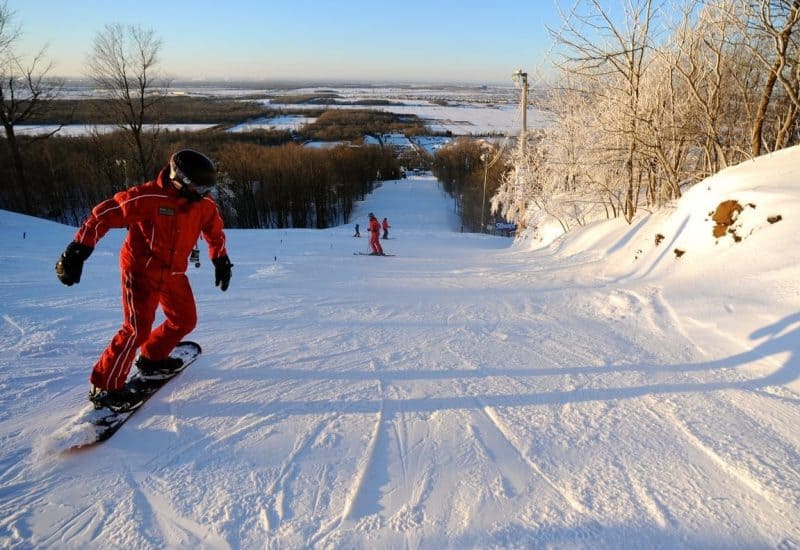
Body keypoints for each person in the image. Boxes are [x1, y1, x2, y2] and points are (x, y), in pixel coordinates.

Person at [55, 149, 233, 412]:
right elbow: (103, 215)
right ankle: (105, 387)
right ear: (179, 179)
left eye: (207, 187)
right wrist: (77, 251)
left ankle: (152, 358)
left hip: (174, 272)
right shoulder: (148, 197)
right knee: (136, 328)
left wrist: (220, 260)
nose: (203, 192)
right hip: (140, 271)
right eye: (198, 186)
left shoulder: (202, 204)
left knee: (184, 320)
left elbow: (214, 231)